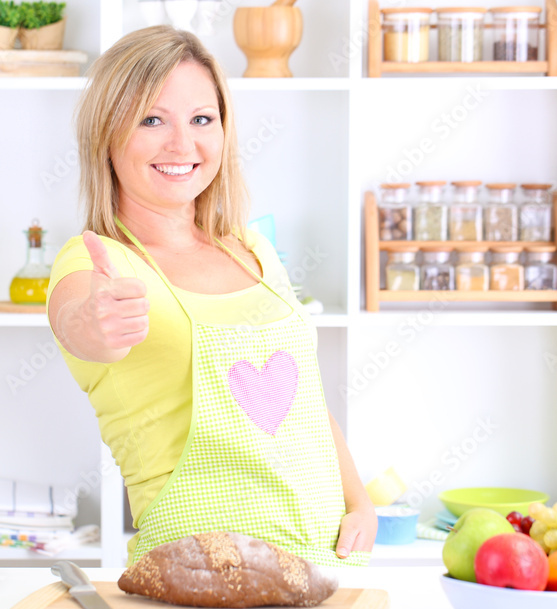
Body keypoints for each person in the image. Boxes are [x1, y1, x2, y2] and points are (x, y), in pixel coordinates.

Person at [47, 26, 376, 566]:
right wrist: (92, 323)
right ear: (106, 134)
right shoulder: (96, 262)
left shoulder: (253, 248)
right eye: (152, 120)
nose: (183, 144)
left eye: (202, 119)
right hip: (201, 571)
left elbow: (306, 402)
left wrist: (359, 501)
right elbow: (78, 324)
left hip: (327, 557)